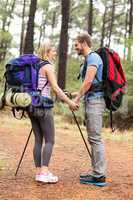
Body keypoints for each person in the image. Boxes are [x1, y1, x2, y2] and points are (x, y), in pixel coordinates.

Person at [28, 40, 78, 184]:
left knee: (38, 139)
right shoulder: (48, 66)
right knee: (50, 140)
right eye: (54, 50)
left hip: (31, 105)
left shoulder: (34, 65)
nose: (55, 53)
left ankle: (38, 172)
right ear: (48, 51)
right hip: (44, 106)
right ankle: (44, 172)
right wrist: (70, 103)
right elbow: (55, 89)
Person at [72, 32, 107, 186]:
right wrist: (74, 94)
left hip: (95, 101)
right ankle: (95, 172)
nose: (75, 48)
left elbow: (87, 82)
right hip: (91, 99)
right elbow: (89, 86)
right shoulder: (88, 59)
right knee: (93, 138)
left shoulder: (93, 58)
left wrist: (77, 98)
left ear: (84, 43)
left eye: (76, 45)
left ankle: (99, 176)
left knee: (95, 138)